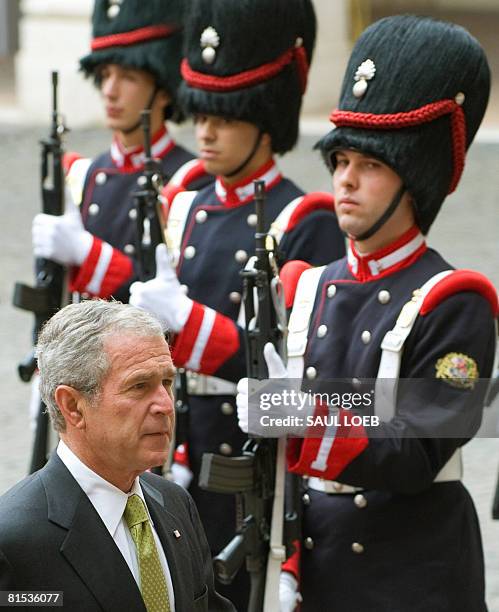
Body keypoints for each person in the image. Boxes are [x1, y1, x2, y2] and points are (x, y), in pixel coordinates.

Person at [237, 14, 498, 611]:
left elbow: (413, 448)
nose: (346, 181)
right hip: (320, 572)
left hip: (413, 581)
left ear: (416, 180)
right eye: (342, 161)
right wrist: (289, 554)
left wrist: (302, 412)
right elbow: (331, 434)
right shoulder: (308, 286)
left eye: (371, 165)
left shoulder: (455, 302)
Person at [129, 0, 345, 607]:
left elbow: (294, 367)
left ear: (264, 115)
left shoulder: (307, 221)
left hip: (253, 456)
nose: (205, 131)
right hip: (181, 451)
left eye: (225, 116)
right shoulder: (187, 206)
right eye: (202, 113)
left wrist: (191, 324)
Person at [0, 300, 235, 612]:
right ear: (72, 406)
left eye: (166, 382)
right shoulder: (15, 539)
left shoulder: (175, 504)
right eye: (139, 386)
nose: (165, 405)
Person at [32, 0, 210, 305]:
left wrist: (88, 255)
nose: (110, 90)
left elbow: (173, 300)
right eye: (105, 75)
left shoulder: (192, 180)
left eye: (128, 77)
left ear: (164, 88)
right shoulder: (83, 175)